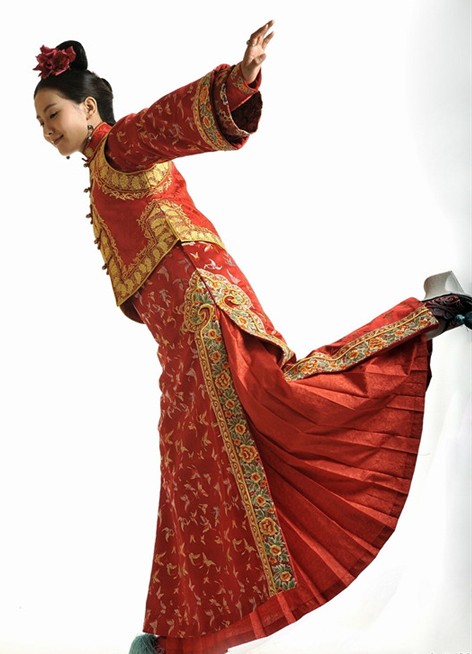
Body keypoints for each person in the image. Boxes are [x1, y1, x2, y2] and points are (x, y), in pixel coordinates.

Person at [33, 21, 471, 654]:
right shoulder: (102, 174)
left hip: (206, 307)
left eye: (53, 114)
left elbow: (168, 120)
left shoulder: (119, 148)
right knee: (193, 461)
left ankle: (427, 316)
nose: (47, 130)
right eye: (40, 122)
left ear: (89, 108)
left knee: (280, 401)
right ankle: (174, 636)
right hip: (177, 340)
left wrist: (237, 82)